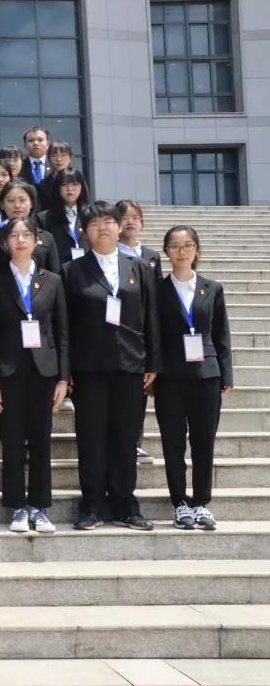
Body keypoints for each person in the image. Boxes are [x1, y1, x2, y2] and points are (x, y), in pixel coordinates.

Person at [63, 201, 160, 531]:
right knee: (91, 437)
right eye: (94, 223)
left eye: (108, 221)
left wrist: (153, 362)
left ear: (119, 227)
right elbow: (65, 325)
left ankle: (125, 504)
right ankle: (92, 504)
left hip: (131, 365)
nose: (102, 227)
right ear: (84, 231)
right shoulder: (72, 271)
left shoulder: (140, 268)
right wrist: (66, 369)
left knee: (125, 437)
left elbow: (151, 318)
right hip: (88, 368)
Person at [0, 217, 69, 533]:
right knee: (13, 441)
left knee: (41, 440)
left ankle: (40, 507)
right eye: (14, 235)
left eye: (26, 235)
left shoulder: (53, 281)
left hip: (44, 371)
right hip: (8, 370)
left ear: (37, 241)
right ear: (6, 243)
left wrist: (63, 378)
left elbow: (62, 331)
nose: (20, 240)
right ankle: (17, 507)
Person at [155, 225, 232, 530]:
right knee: (173, 443)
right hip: (170, 377)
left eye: (187, 245)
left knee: (204, 441)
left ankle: (201, 502)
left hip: (206, 375)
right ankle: (181, 503)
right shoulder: (158, 290)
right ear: (166, 252)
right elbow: (154, 336)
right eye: (175, 246)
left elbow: (221, 334)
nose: (182, 251)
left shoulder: (212, 288)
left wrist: (226, 373)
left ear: (196, 250)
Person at [117, 198, 164, 464]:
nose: (130, 222)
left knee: (139, 392)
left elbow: (157, 294)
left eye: (135, 217)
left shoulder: (151, 256)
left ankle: (136, 442)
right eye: (125, 217)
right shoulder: (112, 253)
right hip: (120, 326)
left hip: (144, 328)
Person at [0, 180, 61, 274]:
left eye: (22, 200)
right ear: (2, 204)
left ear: (31, 203)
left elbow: (54, 275)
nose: (17, 205)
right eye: (11, 201)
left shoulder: (47, 238)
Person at [38, 168, 90, 265]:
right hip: (58, 270)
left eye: (74, 184)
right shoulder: (44, 218)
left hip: (87, 269)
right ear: (57, 188)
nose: (70, 188)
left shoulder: (89, 214)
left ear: (81, 187)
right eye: (64, 184)